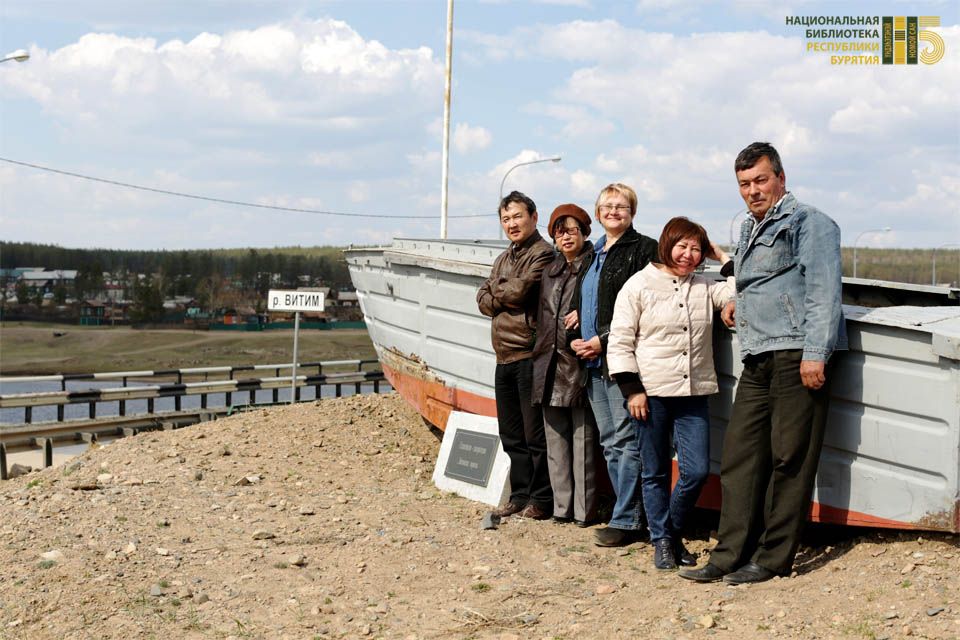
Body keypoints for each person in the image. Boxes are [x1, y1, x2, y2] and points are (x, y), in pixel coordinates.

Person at [680, 142, 847, 584]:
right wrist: (737, 304)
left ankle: (773, 558)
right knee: (740, 457)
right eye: (744, 184)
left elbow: (824, 292)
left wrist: (816, 352)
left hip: (797, 354)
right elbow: (760, 281)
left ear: (780, 178)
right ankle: (729, 554)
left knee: (789, 458)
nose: (752, 191)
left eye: (760, 180)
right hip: (757, 353)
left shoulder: (810, 222)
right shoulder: (752, 229)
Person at [607, 217, 734, 570]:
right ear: (667, 244)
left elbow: (743, 288)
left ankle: (669, 532)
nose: (689, 255)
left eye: (696, 248)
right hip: (650, 393)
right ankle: (662, 542)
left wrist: (720, 255)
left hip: (693, 392)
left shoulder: (705, 286)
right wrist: (632, 390)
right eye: (682, 246)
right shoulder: (639, 286)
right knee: (656, 471)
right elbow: (619, 342)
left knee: (695, 471)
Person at [569, 183, 659, 546]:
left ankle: (629, 520)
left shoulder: (644, 249)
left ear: (632, 212)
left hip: (621, 361)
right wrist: (577, 316)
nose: (613, 211)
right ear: (598, 211)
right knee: (610, 442)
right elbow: (591, 297)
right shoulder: (593, 253)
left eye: (621, 206)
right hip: (592, 365)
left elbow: (645, 307)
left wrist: (600, 340)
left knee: (625, 441)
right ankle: (625, 512)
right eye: (607, 205)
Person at [477, 190, 556, 520]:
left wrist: (500, 289)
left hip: (528, 354)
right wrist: (502, 290)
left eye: (517, 217)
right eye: (506, 219)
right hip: (503, 356)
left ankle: (542, 499)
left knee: (534, 434)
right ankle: (519, 494)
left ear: (534, 217)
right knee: (510, 433)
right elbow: (482, 299)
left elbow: (522, 292)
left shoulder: (544, 253)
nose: (512, 224)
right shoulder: (503, 258)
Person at [531, 204, 599, 526]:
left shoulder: (594, 265)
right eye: (559, 230)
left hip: (579, 361)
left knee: (583, 441)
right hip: (547, 362)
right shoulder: (550, 270)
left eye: (571, 229)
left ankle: (585, 511)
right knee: (555, 440)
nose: (565, 236)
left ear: (585, 232)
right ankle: (562, 508)